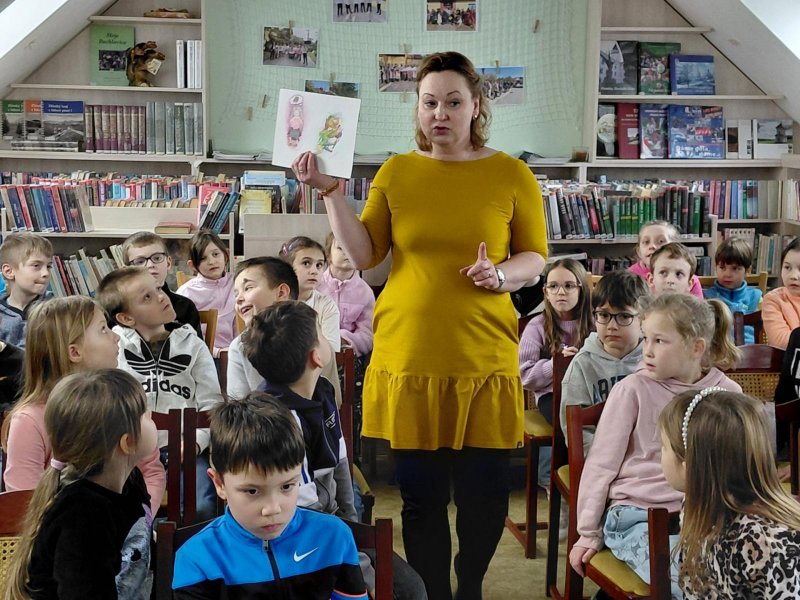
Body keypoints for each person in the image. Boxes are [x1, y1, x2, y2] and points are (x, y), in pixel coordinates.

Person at [291, 50, 548, 599]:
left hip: (483, 359)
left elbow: (535, 256)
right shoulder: (397, 172)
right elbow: (366, 254)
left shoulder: (512, 173)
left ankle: (470, 587)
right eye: (430, 102)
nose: (440, 113)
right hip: (410, 357)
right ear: (418, 108)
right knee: (421, 499)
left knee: (485, 497)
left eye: (453, 102)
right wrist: (332, 192)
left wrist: (501, 275)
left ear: (475, 106)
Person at [569, 293, 741, 599]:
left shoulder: (728, 393)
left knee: (743, 571)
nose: (646, 350)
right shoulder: (631, 389)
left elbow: (739, 466)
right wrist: (587, 533)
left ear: (696, 347)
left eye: (659, 341)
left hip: (707, 514)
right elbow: (600, 466)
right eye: (646, 338)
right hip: (637, 515)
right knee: (692, 584)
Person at [172, 394, 368, 599]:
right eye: (252, 491)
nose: (273, 508)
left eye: (287, 486)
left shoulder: (334, 537)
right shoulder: (196, 559)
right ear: (220, 484)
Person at [1, 296, 165, 513]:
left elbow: (151, 472)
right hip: (62, 532)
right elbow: (23, 503)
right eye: (103, 329)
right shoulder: (29, 421)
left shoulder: (124, 401)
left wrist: (140, 523)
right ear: (75, 352)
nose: (116, 337)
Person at [5, 369, 157, 600]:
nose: (151, 414)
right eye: (144, 414)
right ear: (127, 442)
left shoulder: (132, 481)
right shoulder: (82, 516)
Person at [97, 266, 222, 520]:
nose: (162, 297)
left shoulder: (192, 344)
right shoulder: (115, 348)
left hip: (186, 447)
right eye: (147, 297)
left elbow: (212, 404)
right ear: (126, 318)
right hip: (132, 452)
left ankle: (184, 545)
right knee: (119, 509)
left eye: (158, 289)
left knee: (202, 507)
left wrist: (196, 442)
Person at [658, 388, 800, 598]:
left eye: (663, 447)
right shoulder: (696, 505)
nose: (659, 455)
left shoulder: (764, 542)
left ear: (689, 467)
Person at [227, 256, 342, 406]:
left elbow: (334, 399)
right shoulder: (240, 346)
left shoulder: (314, 336)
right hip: (264, 420)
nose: (239, 299)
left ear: (281, 293)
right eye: (236, 294)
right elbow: (237, 407)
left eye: (248, 288)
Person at [519, 258, 591, 489]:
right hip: (552, 394)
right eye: (554, 286)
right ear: (545, 292)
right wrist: (555, 365)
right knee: (568, 419)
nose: (561, 292)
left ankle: (593, 475)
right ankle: (558, 480)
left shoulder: (594, 322)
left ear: (582, 289)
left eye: (569, 286)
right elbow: (525, 376)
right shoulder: (537, 326)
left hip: (589, 391)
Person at [560, 270, 648, 453]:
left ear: (644, 320)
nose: (612, 326)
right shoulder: (582, 364)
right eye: (604, 315)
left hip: (645, 457)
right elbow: (576, 431)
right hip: (599, 458)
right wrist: (608, 458)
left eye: (624, 316)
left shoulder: (653, 361)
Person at [122, 231, 202, 338]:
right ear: (127, 271)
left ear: (168, 263)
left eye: (157, 258)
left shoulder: (185, 306)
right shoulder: (121, 310)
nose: (150, 265)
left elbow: (197, 346)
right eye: (140, 261)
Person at [176, 229, 236, 357]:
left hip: (237, 352)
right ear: (192, 265)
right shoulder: (187, 293)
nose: (211, 262)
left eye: (216, 254)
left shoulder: (237, 282)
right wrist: (216, 352)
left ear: (226, 255)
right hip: (204, 355)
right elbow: (183, 334)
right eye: (203, 258)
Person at [318, 231, 375, 358]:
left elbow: (368, 334)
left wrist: (344, 340)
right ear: (328, 255)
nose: (348, 252)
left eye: (353, 248)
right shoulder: (316, 285)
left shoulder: (365, 292)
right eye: (340, 248)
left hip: (348, 355)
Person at [280, 235, 341, 352]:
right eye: (306, 263)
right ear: (288, 267)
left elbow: (332, 351)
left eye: (319, 265)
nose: (314, 271)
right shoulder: (273, 300)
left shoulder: (326, 305)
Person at [702, 237, 762, 344]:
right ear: (715, 268)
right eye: (722, 268)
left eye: (735, 268)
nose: (728, 274)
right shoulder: (707, 297)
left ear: (747, 271)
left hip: (750, 349)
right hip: (720, 349)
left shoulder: (756, 298)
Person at [0, 232, 53, 348]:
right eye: (36, 266)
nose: (46, 273)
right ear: (9, 271)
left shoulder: (55, 311)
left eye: (48, 266)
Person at [629, 221, 703, 299]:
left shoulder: (689, 280)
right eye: (646, 242)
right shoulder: (630, 276)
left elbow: (699, 305)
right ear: (638, 251)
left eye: (661, 241)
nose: (652, 246)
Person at [763, 237, 800, 350]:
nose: (793, 276)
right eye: (787, 267)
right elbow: (780, 341)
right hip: (787, 359)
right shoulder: (773, 299)